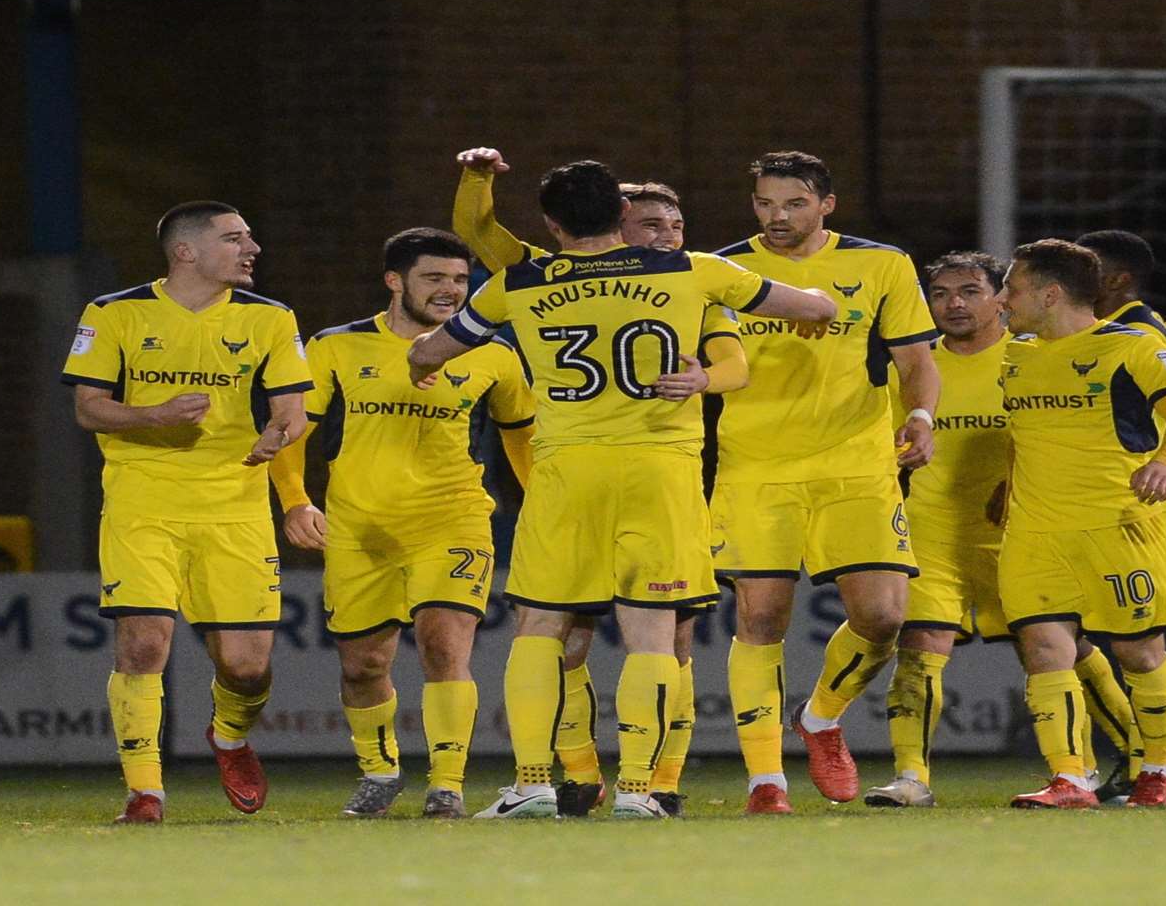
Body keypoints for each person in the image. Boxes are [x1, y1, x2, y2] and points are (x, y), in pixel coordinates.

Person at [410, 158, 833, 819]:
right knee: (653, 634)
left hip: (567, 471)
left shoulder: (521, 279)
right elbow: (812, 306)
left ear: (552, 224)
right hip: (659, 470)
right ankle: (640, 791)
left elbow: (429, 350)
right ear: (621, 217)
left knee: (541, 628)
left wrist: (429, 356)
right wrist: (813, 310)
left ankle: (530, 784)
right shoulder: (694, 271)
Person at [452, 148, 745, 816]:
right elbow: (482, 234)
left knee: (666, 638)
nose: (665, 232)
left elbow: (733, 362)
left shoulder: (690, 287)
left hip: (603, 470)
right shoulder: (593, 272)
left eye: (674, 221)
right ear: (621, 221)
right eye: (650, 221)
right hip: (638, 472)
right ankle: (582, 773)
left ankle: (660, 782)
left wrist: (706, 377)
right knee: (579, 636)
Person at [268, 228, 536, 818]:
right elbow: (295, 428)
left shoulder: (492, 353)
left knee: (445, 646)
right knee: (363, 665)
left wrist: (544, 502)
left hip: (454, 520)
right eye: (434, 278)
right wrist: (295, 500)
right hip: (360, 529)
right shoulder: (337, 346)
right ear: (395, 281)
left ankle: (447, 785)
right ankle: (380, 771)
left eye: (461, 280)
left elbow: (522, 437)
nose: (450, 291)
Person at [62, 201, 312, 824]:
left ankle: (229, 736)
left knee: (248, 668)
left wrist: (276, 437)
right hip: (143, 502)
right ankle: (145, 792)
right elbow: (89, 408)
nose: (251, 248)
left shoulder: (272, 319)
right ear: (185, 252)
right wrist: (153, 416)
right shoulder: (114, 312)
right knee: (144, 643)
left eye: (250, 237)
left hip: (236, 506)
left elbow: (294, 413)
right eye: (235, 239)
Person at [710, 151, 941, 815]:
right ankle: (766, 782)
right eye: (764, 204)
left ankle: (818, 718)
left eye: (794, 204)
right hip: (756, 466)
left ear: (826, 205)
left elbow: (917, 361)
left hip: (857, 464)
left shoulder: (881, 265)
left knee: (882, 616)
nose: (777, 217)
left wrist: (921, 415)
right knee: (759, 618)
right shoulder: (725, 271)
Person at [995, 239, 1166, 809]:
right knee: (1043, 647)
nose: (1002, 300)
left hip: (1113, 524)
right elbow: (1020, 438)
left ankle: (1158, 769)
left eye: (1011, 288)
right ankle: (1069, 778)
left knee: (1140, 654)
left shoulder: (1130, 348)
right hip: (1034, 530)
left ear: (1050, 293)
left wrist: (1164, 462)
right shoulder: (1015, 355)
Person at [861, 251, 1012, 808]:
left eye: (970, 291)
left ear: (1001, 297)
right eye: (941, 292)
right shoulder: (912, 368)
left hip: (1016, 531)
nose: (953, 303)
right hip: (931, 526)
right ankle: (911, 777)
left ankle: (1106, 765)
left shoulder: (1030, 360)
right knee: (919, 647)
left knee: (1059, 649)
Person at [1073, 229, 1166, 796]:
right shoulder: (1096, 334)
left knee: (1135, 640)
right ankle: (1143, 751)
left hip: (1159, 498)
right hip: (1122, 499)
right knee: (1071, 634)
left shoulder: (1136, 331)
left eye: (1086, 268)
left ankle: (1152, 759)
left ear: (1117, 280)